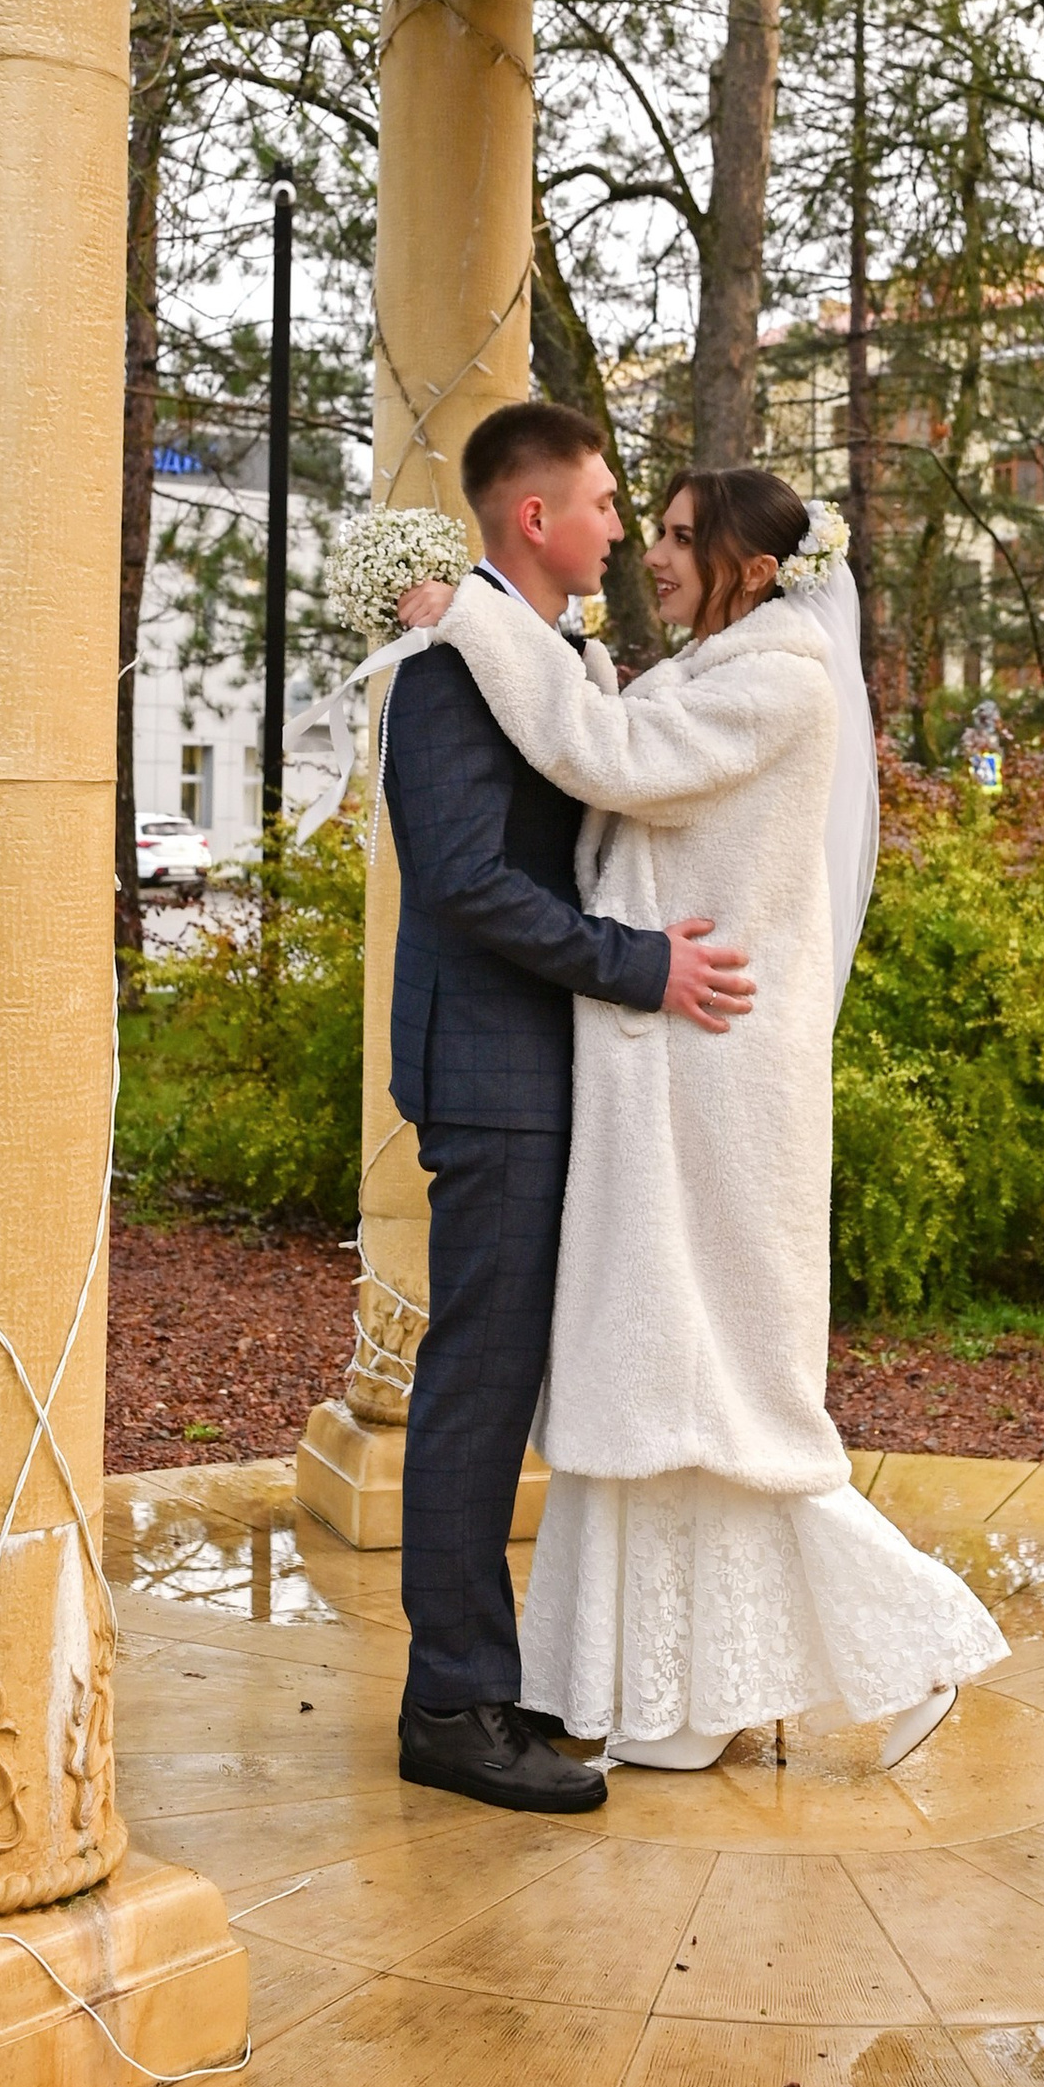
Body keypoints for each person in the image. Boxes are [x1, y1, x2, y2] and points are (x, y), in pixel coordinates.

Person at [401, 466, 1008, 1773]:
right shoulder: (716, 671)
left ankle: (914, 1643)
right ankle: (660, 1698)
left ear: (745, 560)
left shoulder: (780, 683)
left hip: (714, 1074)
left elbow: (603, 753)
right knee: (656, 1378)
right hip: (661, 1063)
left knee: (718, 1391)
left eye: (678, 536)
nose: (651, 552)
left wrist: (467, 614)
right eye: (647, 525)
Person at [382, 398, 760, 1818]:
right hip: (494, 1082)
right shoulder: (445, 671)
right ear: (533, 520)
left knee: (514, 1386)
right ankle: (451, 1706)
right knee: (478, 1391)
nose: (618, 525)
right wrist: (643, 968)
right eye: (603, 504)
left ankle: (509, 1670)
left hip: (553, 1075)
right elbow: (468, 884)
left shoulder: (549, 662)